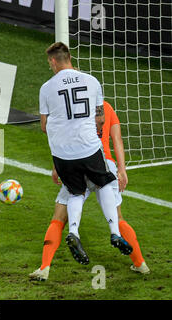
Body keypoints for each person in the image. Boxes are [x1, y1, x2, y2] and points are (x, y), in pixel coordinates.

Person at [30, 100, 150, 281]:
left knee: (59, 217)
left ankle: (45, 267)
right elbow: (116, 138)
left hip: (76, 162)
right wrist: (122, 169)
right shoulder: (106, 107)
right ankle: (140, 263)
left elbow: (58, 136)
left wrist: (57, 166)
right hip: (104, 163)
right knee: (117, 218)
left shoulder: (69, 108)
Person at [39, 42, 132, 266]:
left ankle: (74, 232)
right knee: (106, 183)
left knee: (75, 192)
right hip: (88, 148)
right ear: (69, 57)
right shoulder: (92, 81)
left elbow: (44, 126)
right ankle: (114, 232)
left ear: (53, 61)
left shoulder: (46, 88)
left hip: (62, 154)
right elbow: (100, 118)